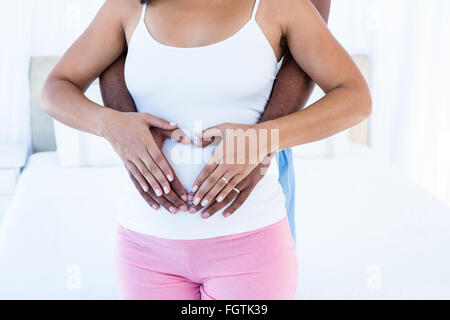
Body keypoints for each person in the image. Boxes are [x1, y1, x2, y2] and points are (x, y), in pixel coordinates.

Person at [41, 0, 371, 299]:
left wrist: (264, 138)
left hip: (249, 244)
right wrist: (108, 124)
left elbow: (355, 97)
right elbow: (56, 88)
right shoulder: (128, 8)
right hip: (144, 246)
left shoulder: (278, 7)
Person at [99, 1, 331, 245]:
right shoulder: (125, 9)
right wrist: (130, 140)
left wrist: (261, 141)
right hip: (149, 229)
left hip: (262, 122)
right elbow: (113, 47)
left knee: (259, 236)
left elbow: (304, 56)